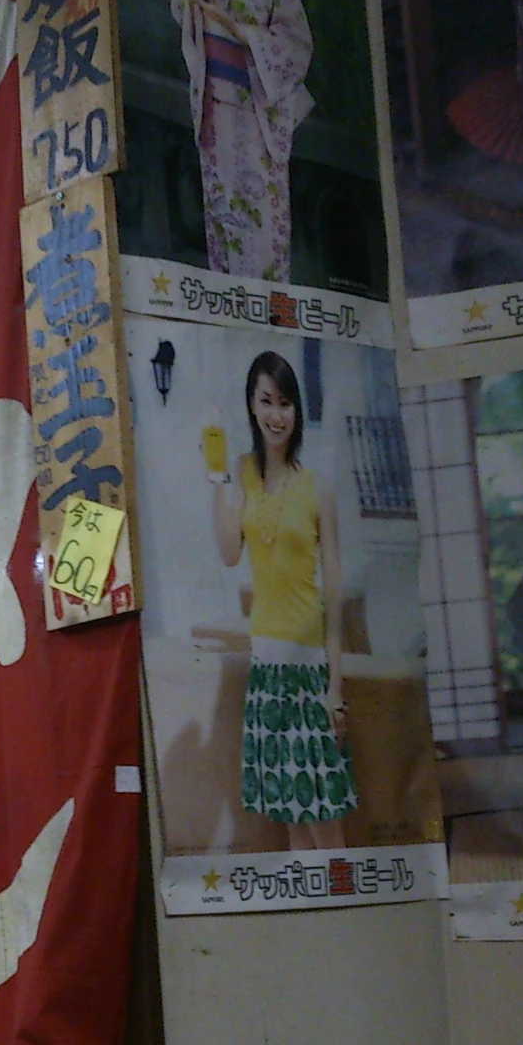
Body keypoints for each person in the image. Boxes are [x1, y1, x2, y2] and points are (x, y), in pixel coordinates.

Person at [210, 351, 357, 849]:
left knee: (325, 820)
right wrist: (217, 485)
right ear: (252, 406)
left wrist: (335, 686)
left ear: (296, 410)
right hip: (267, 670)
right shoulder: (242, 471)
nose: (277, 414)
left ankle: (347, 917)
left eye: (286, 403)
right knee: (291, 817)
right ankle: (313, 922)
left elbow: (333, 593)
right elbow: (231, 553)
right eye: (266, 401)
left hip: (309, 670)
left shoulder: (319, 489)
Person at [170, 0, 315, 281]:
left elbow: (295, 39)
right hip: (215, 98)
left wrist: (241, 31)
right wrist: (189, 3)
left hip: (255, 103)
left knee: (263, 218)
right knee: (224, 215)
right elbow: (178, 6)